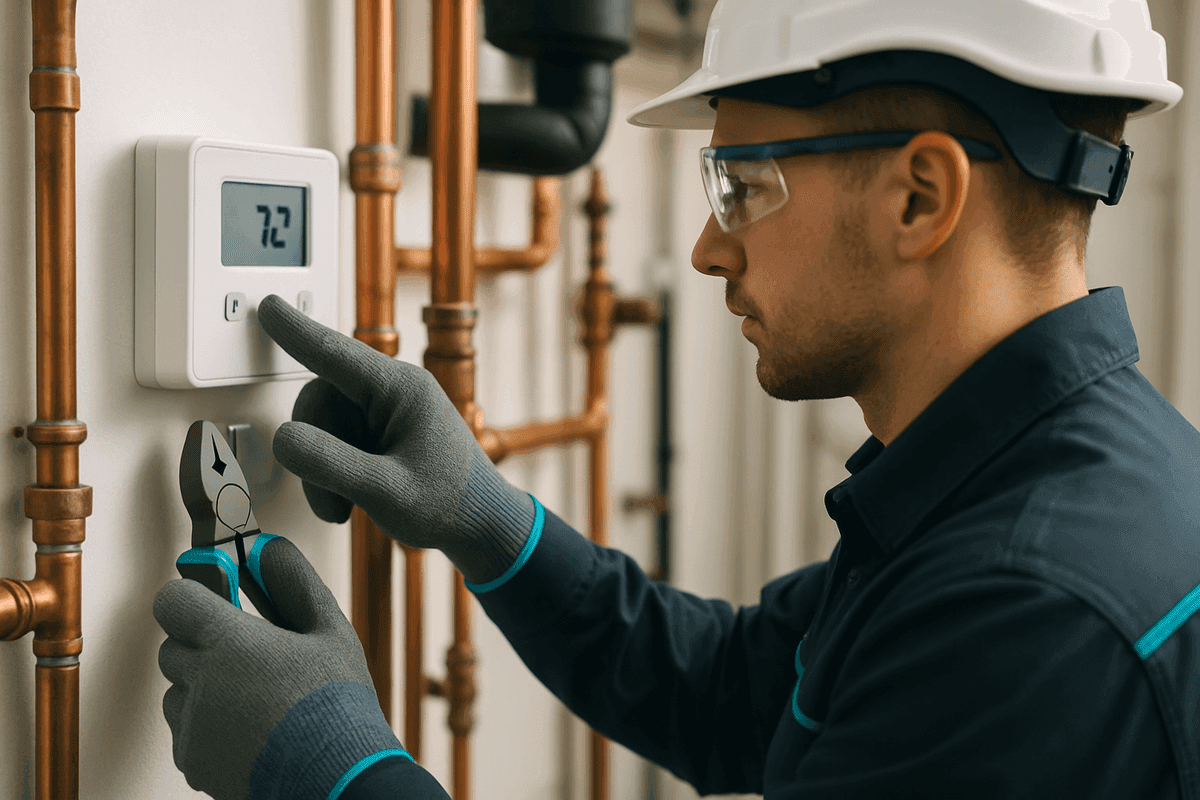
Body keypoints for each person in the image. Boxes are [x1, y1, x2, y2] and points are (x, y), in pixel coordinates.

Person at [153, 1, 1200, 797]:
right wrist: (490, 518)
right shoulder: (1034, 476)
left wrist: (339, 771)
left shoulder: (1030, 613)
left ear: (920, 198)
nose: (705, 248)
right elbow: (733, 685)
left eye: (741, 184)